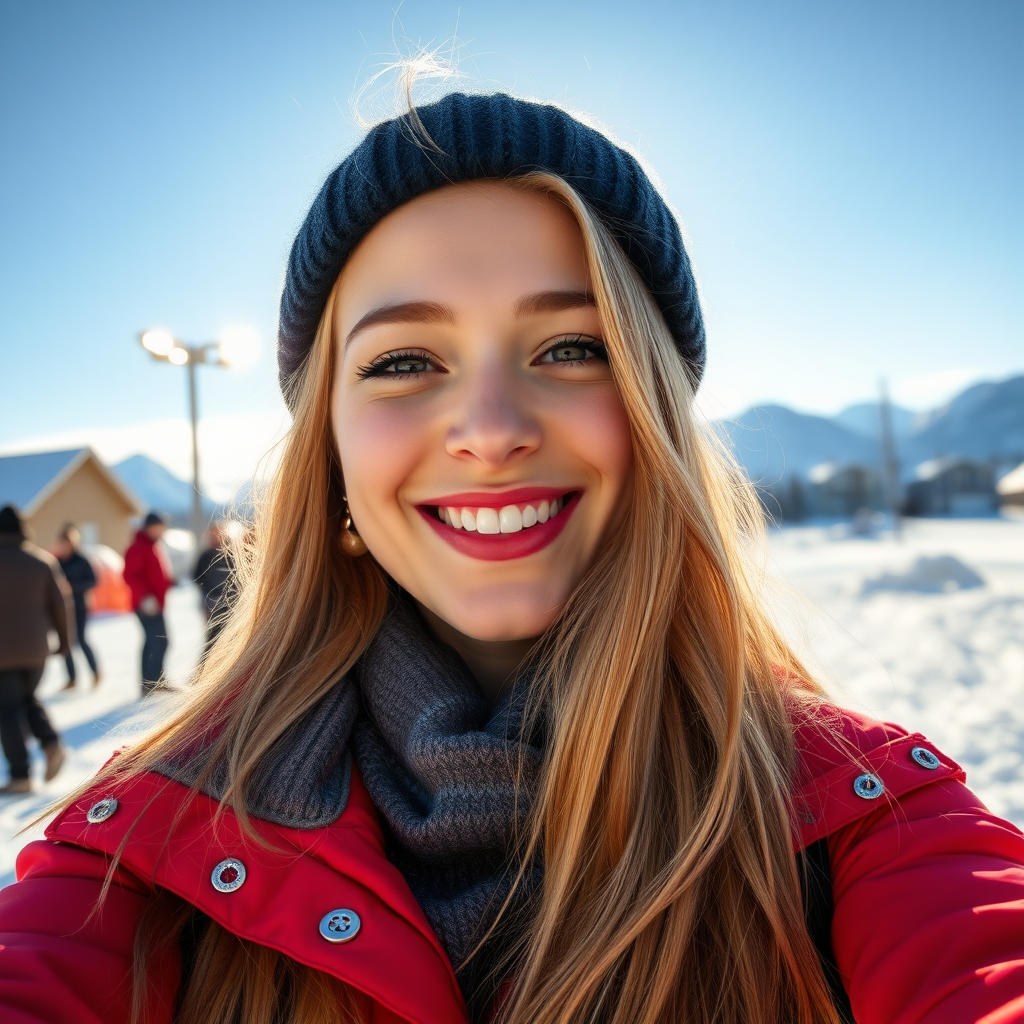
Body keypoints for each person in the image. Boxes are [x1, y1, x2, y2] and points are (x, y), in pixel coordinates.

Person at [0, 92, 1021, 1024]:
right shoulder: (139, 857)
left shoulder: (868, 823)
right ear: (329, 449)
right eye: (403, 361)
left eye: (572, 348)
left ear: (655, 413)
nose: (488, 430)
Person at [0, 505, 69, 795]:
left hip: (3, 653)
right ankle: (51, 744)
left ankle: (21, 776)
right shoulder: (42, 562)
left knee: (8, 710)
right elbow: (61, 604)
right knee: (27, 698)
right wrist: (64, 642)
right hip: (37, 649)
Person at [122, 511, 175, 695]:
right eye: (158, 527)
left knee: (153, 641)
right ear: (149, 527)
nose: (161, 531)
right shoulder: (138, 546)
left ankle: (150, 680)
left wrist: (169, 581)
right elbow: (130, 576)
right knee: (160, 641)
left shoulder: (153, 545)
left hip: (155, 603)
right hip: (146, 604)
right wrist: (144, 597)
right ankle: (152, 682)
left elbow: (154, 573)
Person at [53, 524, 101, 690]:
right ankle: (71, 678)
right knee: (65, 642)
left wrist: (74, 587)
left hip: (80, 605)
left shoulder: (82, 560)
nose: (64, 546)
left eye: (67, 542)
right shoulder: (57, 562)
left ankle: (96, 672)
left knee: (81, 639)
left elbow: (93, 580)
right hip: (63, 607)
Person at [192, 522, 235, 656]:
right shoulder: (205, 555)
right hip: (211, 604)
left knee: (230, 641)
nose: (216, 536)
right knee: (212, 640)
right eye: (213, 533)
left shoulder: (232, 553)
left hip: (231, 605)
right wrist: (207, 598)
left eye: (219, 532)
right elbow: (197, 577)